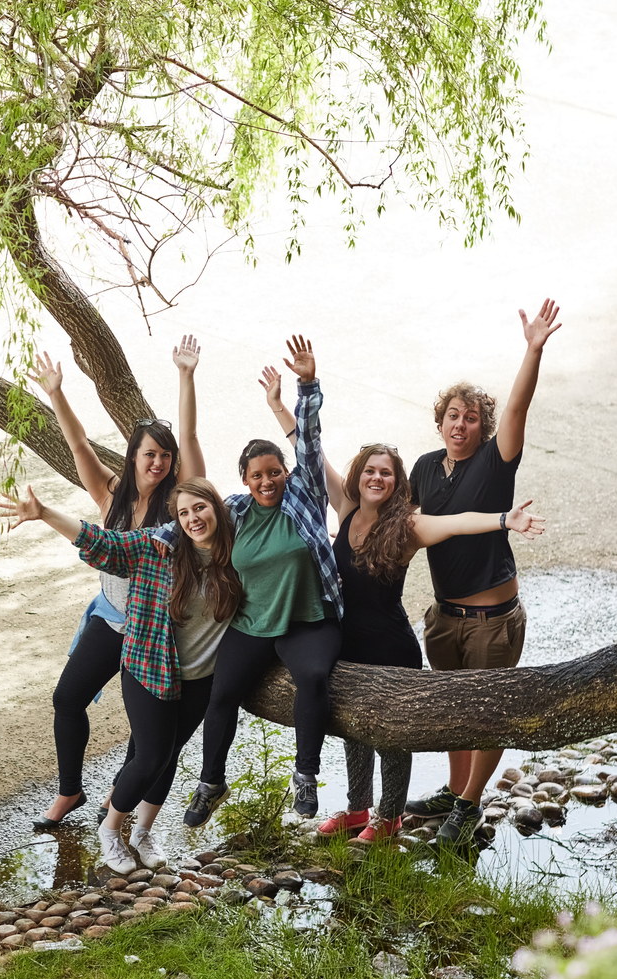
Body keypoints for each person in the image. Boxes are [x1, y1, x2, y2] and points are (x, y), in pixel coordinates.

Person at [250, 418, 545, 843]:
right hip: (348, 644)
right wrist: (282, 410)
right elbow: (313, 455)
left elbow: (456, 522)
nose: (377, 478)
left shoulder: (407, 526)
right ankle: (357, 810)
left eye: (386, 473)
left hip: (391, 648)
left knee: (391, 735)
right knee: (352, 730)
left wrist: (504, 520)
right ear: (358, 476)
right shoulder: (347, 509)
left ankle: (389, 817)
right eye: (370, 470)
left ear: (397, 483)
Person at [0, 478, 240, 874]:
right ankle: (110, 830)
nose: (193, 518)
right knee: (150, 756)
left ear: (217, 507)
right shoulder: (155, 549)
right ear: (176, 521)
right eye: (183, 513)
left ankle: (143, 832)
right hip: (149, 665)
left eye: (200, 508)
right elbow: (101, 543)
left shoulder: (237, 552)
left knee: (169, 756)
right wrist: (44, 513)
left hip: (202, 676)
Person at [159, 337, 344, 827]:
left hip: (309, 621)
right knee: (222, 695)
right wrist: (145, 542)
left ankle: (306, 774)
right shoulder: (235, 512)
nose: (267, 481)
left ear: (286, 473)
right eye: (257, 475)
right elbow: (189, 520)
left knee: (313, 678)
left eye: (274, 472)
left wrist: (306, 386)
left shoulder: (304, 498)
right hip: (252, 622)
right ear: (244, 479)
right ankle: (211, 782)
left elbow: (310, 442)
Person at [25, 338, 206, 831]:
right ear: (133, 456)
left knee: (145, 732)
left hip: (157, 628)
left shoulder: (180, 500)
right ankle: (70, 790)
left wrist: (185, 376)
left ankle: (121, 798)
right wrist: (56, 393)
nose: (158, 463)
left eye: (165, 456)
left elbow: (190, 435)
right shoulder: (110, 494)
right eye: (150, 454)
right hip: (110, 617)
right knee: (67, 698)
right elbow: (78, 445)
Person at [402, 299, 562, 849]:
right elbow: (401, 525)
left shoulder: (495, 462)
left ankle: (468, 805)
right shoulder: (425, 467)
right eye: (453, 415)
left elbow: (518, 406)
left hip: (492, 621)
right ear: (440, 420)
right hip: (444, 617)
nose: (461, 424)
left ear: (483, 426)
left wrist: (532, 350)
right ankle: (453, 790)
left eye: (471, 417)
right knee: (453, 711)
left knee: (487, 713)